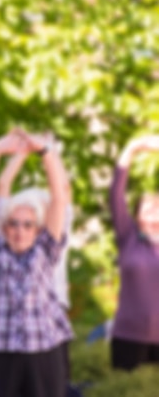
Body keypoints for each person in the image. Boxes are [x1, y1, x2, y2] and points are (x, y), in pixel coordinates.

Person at [0, 131, 72, 397]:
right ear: (4, 227)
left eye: (27, 224)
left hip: (42, 351)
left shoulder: (46, 250)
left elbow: (59, 199)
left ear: (37, 228)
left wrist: (46, 152)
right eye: (13, 223)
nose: (20, 229)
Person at [0, 133, 74, 378]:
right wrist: (23, 152)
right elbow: (3, 187)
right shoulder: (9, 233)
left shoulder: (53, 238)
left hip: (49, 319)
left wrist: (47, 151)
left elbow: (63, 191)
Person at [109, 135, 159, 370]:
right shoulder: (128, 237)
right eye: (148, 204)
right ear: (137, 215)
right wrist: (131, 148)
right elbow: (116, 195)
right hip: (128, 337)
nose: (154, 208)